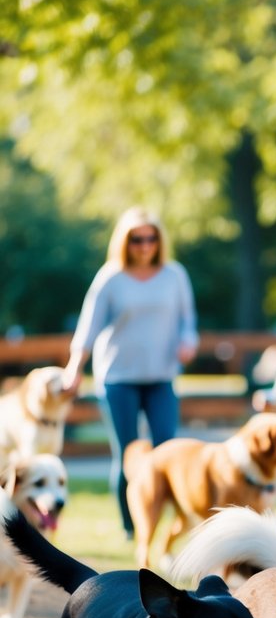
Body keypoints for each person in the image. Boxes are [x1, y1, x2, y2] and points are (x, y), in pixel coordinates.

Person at [62, 206, 199, 538]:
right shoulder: (111, 277)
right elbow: (88, 327)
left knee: (167, 449)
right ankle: (130, 527)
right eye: (137, 239)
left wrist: (188, 341)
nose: (145, 245)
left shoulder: (174, 274)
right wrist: (74, 368)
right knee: (128, 453)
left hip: (161, 376)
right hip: (118, 377)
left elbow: (188, 320)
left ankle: (165, 524)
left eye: (151, 238)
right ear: (125, 241)